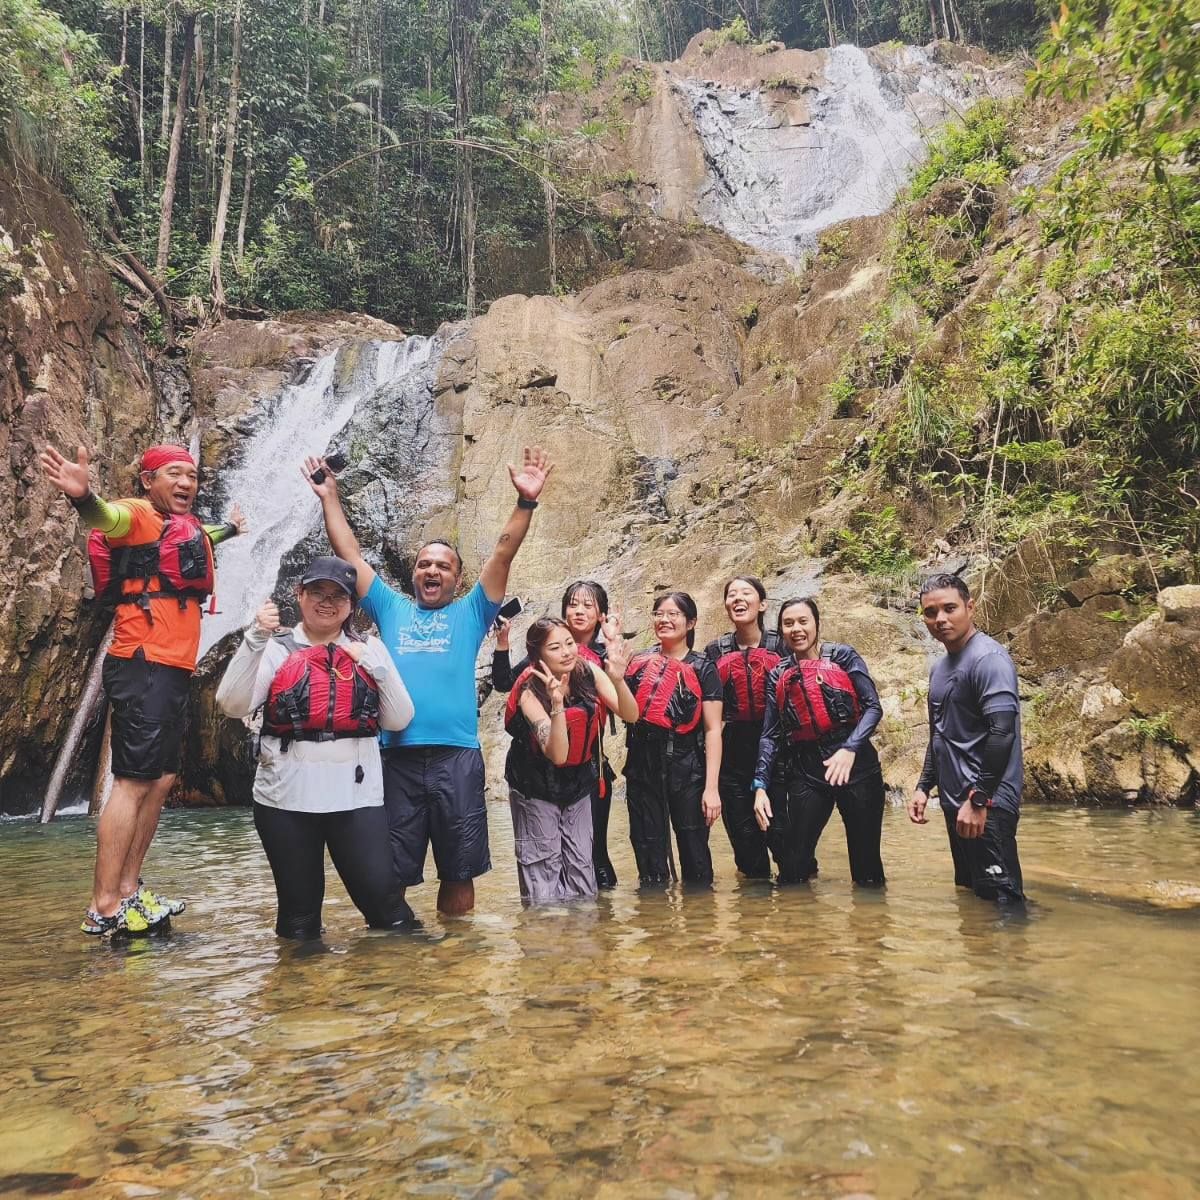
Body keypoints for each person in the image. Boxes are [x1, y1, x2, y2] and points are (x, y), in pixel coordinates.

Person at [304, 446, 553, 916]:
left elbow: (503, 552)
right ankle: (401, 960)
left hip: (457, 757)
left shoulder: (472, 612)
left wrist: (525, 503)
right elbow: (350, 555)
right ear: (413, 574)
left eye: (443, 565)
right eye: (424, 564)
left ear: (458, 579)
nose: (432, 570)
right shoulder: (390, 607)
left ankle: (454, 965)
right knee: (390, 870)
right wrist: (329, 497)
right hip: (393, 757)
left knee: (459, 870)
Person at [40, 442, 245, 935]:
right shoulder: (135, 515)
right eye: (173, 473)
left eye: (192, 475)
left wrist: (234, 528)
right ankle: (104, 904)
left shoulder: (188, 527)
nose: (186, 483)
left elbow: (206, 536)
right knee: (133, 782)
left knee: (163, 779)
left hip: (173, 668)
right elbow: (103, 516)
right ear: (147, 481)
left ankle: (129, 889)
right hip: (141, 663)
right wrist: (82, 496)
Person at [216, 556, 419, 938]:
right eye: (317, 593)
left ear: (350, 605)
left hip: (355, 796)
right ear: (299, 594)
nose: (327, 602)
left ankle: (402, 987)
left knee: (386, 903)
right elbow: (232, 705)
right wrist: (255, 638)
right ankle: (299, 993)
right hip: (286, 799)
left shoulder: (369, 648)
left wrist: (375, 667)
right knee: (299, 915)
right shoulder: (275, 648)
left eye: (337, 596)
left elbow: (398, 719)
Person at [492, 580, 623, 888]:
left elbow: (626, 704)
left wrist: (614, 647)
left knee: (592, 853)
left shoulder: (605, 656)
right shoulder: (545, 652)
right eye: (573, 604)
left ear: (602, 614)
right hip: (541, 769)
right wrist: (502, 643)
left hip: (589, 766)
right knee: (549, 860)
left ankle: (601, 927)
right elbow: (504, 683)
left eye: (588, 605)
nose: (578, 611)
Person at [907, 573, 1025, 904]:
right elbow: (940, 734)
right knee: (974, 897)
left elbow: (1002, 732)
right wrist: (923, 785)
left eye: (949, 608)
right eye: (930, 613)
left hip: (986, 803)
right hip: (956, 803)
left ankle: (1018, 957)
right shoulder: (940, 667)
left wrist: (980, 800)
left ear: (970, 607)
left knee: (1003, 903)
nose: (940, 619)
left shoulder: (989, 659)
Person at [503, 616, 639, 903]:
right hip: (535, 785)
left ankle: (581, 941)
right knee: (543, 870)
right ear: (537, 654)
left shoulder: (587, 669)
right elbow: (557, 754)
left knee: (581, 866)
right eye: (555, 647)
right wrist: (556, 705)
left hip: (578, 782)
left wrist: (617, 679)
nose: (566, 652)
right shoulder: (530, 690)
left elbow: (631, 715)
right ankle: (547, 937)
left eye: (569, 643)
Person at [753, 597, 886, 886]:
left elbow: (873, 707)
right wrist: (760, 786)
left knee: (866, 870)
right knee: (793, 867)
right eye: (788, 624)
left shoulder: (843, 656)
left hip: (857, 767)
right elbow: (771, 733)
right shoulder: (778, 673)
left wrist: (849, 748)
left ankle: (871, 926)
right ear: (781, 630)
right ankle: (799, 929)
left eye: (803, 622)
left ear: (816, 624)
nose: (796, 629)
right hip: (808, 770)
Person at [622, 592, 723, 886]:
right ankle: (657, 926)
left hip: (687, 768)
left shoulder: (704, 667)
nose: (664, 619)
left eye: (673, 614)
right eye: (658, 613)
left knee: (695, 853)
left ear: (690, 622)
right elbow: (622, 708)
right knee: (648, 853)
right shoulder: (637, 663)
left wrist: (712, 789)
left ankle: (700, 921)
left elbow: (713, 729)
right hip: (642, 768)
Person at [705, 576, 786, 879]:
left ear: (762, 604)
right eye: (731, 595)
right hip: (734, 748)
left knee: (785, 843)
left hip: (779, 748)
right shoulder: (716, 650)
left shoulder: (782, 644)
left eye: (746, 593)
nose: (737, 599)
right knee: (747, 848)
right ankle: (753, 919)